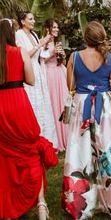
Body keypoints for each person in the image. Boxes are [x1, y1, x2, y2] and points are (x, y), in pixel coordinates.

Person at [0, 19, 58, 220]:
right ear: (11, 35)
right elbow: (31, 80)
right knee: (30, 151)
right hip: (17, 103)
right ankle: (41, 202)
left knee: (2, 159)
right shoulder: (19, 52)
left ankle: (8, 210)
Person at [62, 21, 111, 220]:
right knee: (108, 149)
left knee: (81, 150)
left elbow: (70, 85)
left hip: (83, 104)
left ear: (85, 38)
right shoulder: (109, 58)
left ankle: (82, 199)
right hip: (105, 108)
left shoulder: (74, 57)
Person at [15, 12, 59, 148]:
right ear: (23, 21)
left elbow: (40, 55)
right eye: (30, 19)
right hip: (28, 69)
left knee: (43, 103)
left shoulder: (33, 34)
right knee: (32, 103)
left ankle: (45, 139)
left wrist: (50, 50)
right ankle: (31, 137)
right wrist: (40, 45)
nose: (34, 21)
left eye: (33, 19)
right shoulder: (19, 34)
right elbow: (25, 55)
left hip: (38, 70)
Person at [42, 18, 70, 151]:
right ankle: (55, 138)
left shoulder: (56, 42)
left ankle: (66, 137)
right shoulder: (43, 42)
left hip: (59, 74)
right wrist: (51, 53)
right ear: (47, 29)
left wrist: (62, 56)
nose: (56, 29)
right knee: (53, 104)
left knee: (63, 103)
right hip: (50, 75)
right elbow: (40, 59)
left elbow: (62, 62)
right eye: (54, 27)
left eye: (57, 27)